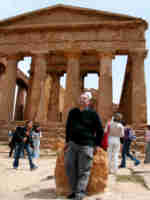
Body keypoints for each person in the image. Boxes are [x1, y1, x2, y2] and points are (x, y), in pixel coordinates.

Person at [64, 92, 104, 200]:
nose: (82, 100)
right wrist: (67, 141)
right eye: (81, 98)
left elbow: (100, 130)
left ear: (88, 101)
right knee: (69, 166)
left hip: (86, 145)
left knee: (84, 170)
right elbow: (68, 127)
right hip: (72, 144)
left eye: (84, 98)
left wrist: (96, 144)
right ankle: (73, 191)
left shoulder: (93, 114)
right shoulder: (72, 112)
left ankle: (80, 193)